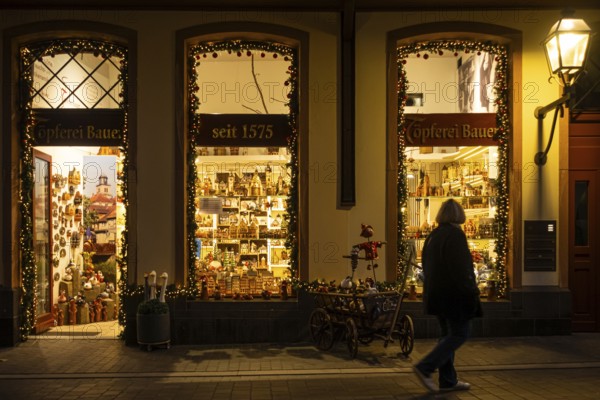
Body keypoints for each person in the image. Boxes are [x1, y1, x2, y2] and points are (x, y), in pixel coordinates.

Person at [413, 198, 482, 393]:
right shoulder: (455, 236)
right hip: (454, 295)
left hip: (437, 293)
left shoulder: (433, 236)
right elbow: (462, 268)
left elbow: (426, 265)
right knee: (460, 334)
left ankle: (448, 380)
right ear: (459, 215)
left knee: (446, 334)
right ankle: (425, 366)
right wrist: (471, 290)